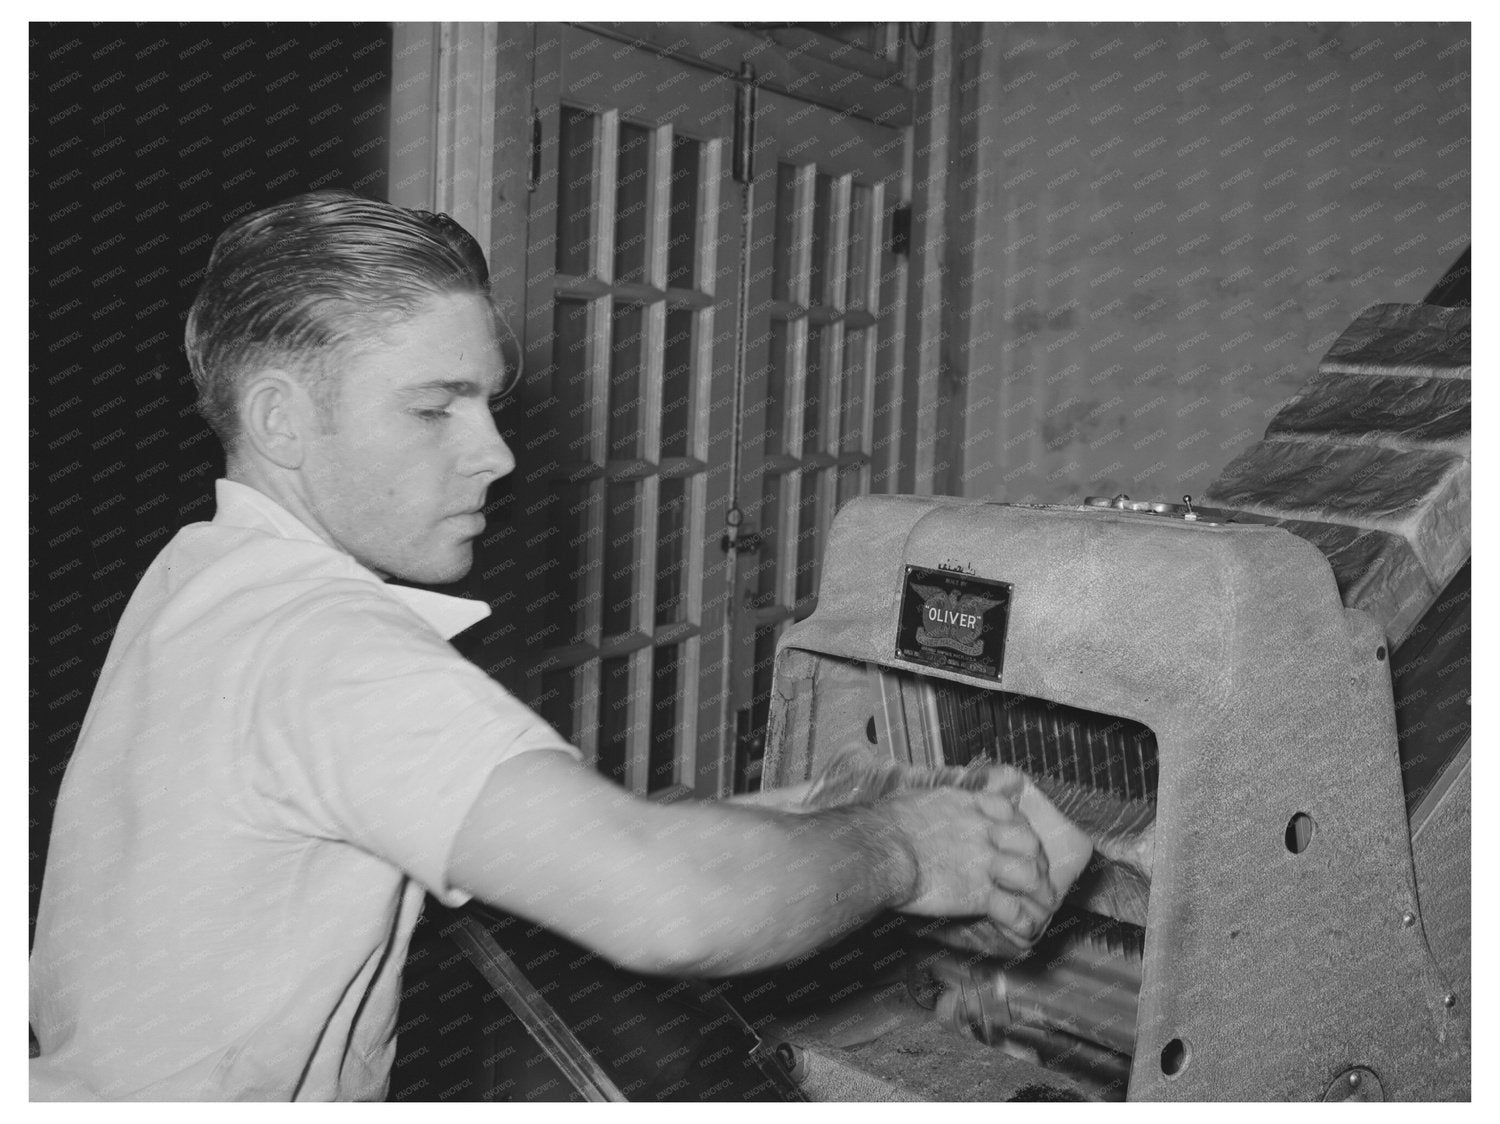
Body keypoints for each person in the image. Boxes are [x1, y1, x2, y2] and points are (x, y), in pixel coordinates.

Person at [30, 191, 1082, 1101]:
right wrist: (903, 846)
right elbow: (672, 903)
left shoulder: (205, 575)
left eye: (489, 402)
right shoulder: (327, 648)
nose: (494, 453)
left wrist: (820, 816)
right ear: (280, 417)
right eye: (436, 409)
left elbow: (518, 844)